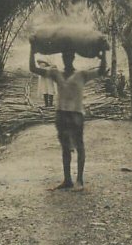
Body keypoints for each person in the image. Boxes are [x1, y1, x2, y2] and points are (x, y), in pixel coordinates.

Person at [30, 46, 107, 191]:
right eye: (65, 56)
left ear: (73, 58)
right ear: (63, 58)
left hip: (76, 113)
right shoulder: (55, 73)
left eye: (69, 56)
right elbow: (34, 69)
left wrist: (102, 55)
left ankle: (80, 180)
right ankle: (67, 180)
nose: (67, 59)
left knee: (79, 145)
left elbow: (101, 71)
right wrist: (32, 50)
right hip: (61, 113)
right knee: (65, 147)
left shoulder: (82, 75)